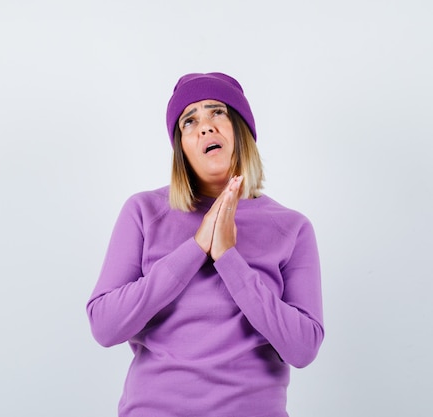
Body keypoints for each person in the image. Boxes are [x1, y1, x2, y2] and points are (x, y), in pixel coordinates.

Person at [86, 72, 324, 417]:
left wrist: (228, 257)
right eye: (189, 121)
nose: (206, 126)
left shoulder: (292, 228)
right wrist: (195, 247)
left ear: (240, 130)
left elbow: (303, 348)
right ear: (181, 148)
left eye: (218, 112)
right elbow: (105, 327)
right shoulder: (143, 211)